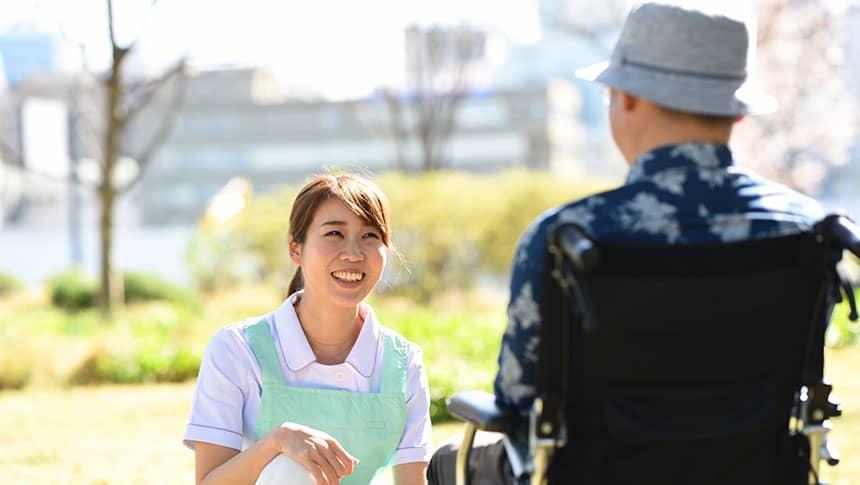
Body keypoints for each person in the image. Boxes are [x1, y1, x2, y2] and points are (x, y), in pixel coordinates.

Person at [427, 3, 826, 484]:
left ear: (629, 97)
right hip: (754, 471)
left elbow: (518, 403)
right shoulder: (809, 230)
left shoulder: (567, 237)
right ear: (736, 114)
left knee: (448, 465)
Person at [185, 174, 432, 485]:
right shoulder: (237, 349)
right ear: (295, 249)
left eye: (370, 236)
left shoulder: (402, 362)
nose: (353, 254)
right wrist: (278, 442)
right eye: (334, 234)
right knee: (291, 468)